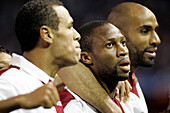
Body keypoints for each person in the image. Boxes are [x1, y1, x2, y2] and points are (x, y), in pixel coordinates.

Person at [0, 0, 81, 113]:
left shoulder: (42, 86)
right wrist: (18, 101)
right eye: (69, 27)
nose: (77, 35)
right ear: (47, 34)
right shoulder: (11, 83)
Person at [59, 20, 131, 113]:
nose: (123, 51)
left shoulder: (125, 96)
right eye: (109, 45)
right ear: (86, 58)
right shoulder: (73, 107)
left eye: (123, 42)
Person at [107, 2, 161, 113]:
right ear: (116, 34)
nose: (156, 40)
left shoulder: (130, 78)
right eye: (145, 31)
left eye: (155, 30)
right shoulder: (103, 85)